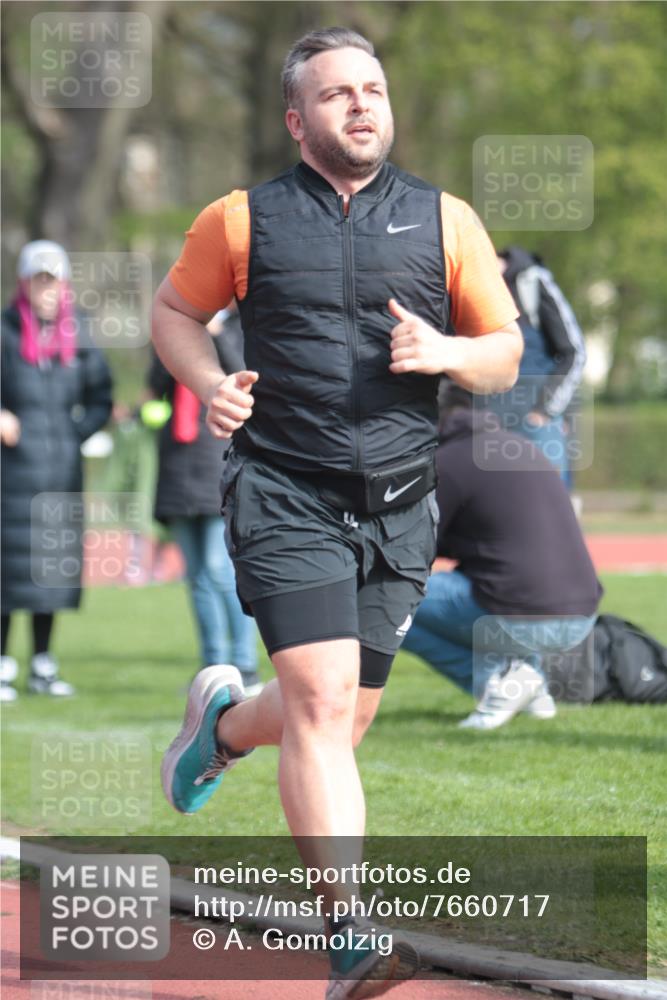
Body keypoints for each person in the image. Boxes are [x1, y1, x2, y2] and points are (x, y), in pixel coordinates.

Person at [152, 28, 522, 997]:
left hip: (401, 505)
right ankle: (352, 936)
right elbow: (173, 314)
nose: (360, 106)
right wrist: (208, 383)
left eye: (372, 89)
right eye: (335, 94)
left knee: (339, 723)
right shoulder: (240, 221)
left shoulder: (446, 220)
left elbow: (505, 351)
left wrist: (445, 354)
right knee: (319, 706)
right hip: (285, 490)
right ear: (296, 118)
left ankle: (224, 728)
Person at [401, 382, 602, 729]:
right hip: (582, 615)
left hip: (521, 613)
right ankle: (529, 684)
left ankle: (499, 683)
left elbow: (416, 546)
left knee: (389, 603)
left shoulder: (447, 461)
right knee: (491, 587)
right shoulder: (520, 447)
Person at [1, 240, 113, 701]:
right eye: (39, 280)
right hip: (11, 476)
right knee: (7, 569)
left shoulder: (79, 334)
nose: (47, 289)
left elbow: (101, 398)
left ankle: (43, 664)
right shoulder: (4, 332)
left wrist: (73, 435)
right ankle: (4, 664)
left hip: (61, 474)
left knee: (50, 571)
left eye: (54, 281)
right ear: (24, 283)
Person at [148, 307, 261, 693]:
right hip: (178, 468)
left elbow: (244, 376)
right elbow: (156, 382)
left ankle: (244, 663)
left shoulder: (241, 327)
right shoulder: (178, 325)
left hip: (218, 463)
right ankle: (214, 664)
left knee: (219, 570)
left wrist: (213, 333)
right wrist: (177, 336)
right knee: (196, 574)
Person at [489, 247, 586, 481]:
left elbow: (574, 352)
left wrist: (544, 412)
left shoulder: (531, 280)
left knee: (550, 509)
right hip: (485, 426)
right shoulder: (462, 286)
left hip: (533, 424)